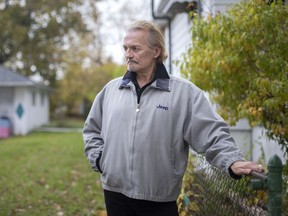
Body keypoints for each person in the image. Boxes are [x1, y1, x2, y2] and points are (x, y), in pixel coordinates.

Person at [83, 20, 264, 216]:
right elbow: (92, 129)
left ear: (156, 51)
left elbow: (211, 133)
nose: (128, 54)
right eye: (126, 48)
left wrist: (232, 161)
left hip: (159, 200)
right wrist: (100, 160)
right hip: (115, 194)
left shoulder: (184, 94)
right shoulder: (111, 90)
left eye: (135, 48)